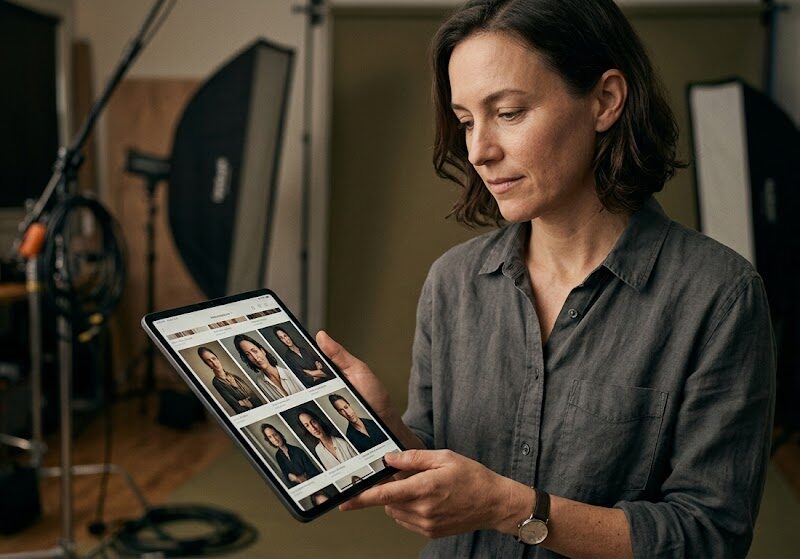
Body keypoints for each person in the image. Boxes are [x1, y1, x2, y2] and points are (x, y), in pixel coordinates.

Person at [312, 1, 776, 558]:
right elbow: (440, 469)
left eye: (507, 112)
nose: (479, 151)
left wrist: (508, 508)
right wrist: (384, 427)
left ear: (604, 101)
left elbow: (709, 538)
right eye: (465, 121)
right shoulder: (452, 282)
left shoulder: (719, 297)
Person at [234, 333, 304, 401]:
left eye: (255, 351)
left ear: (263, 351)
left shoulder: (289, 372)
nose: (255, 358)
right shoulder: (260, 382)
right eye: (248, 355)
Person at [197, 346, 264, 415]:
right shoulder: (216, 382)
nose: (214, 363)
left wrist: (237, 388)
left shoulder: (234, 376)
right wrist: (246, 403)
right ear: (207, 365)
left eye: (214, 359)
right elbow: (234, 404)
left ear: (218, 359)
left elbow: (252, 394)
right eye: (209, 361)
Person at [260, 423, 321, 487]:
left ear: (279, 435)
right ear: (269, 440)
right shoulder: (278, 456)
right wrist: (291, 477)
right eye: (270, 437)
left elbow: (314, 473)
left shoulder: (298, 451)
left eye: (275, 435)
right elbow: (287, 477)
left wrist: (299, 478)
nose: (275, 439)